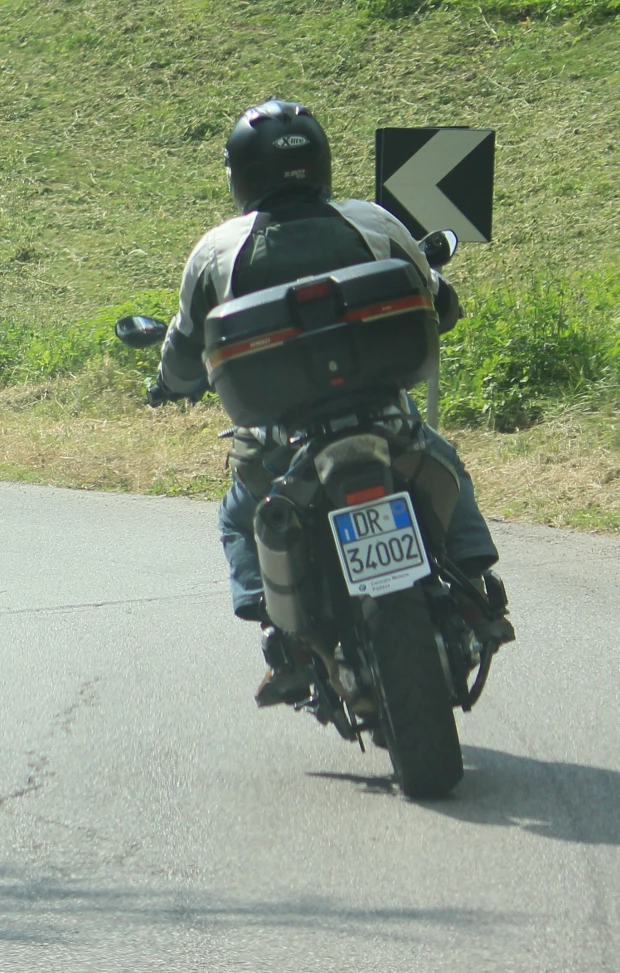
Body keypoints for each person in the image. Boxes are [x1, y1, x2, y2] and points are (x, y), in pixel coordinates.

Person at [150, 100, 511, 707]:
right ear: (321, 160)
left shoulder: (216, 251)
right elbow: (438, 301)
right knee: (443, 459)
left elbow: (184, 350)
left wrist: (167, 386)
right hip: (382, 419)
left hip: (281, 443)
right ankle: (473, 580)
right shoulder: (373, 222)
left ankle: (281, 641)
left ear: (239, 172)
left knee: (241, 515)